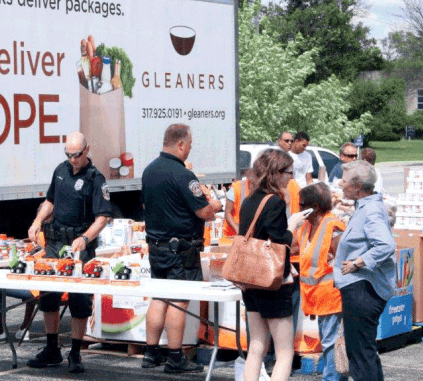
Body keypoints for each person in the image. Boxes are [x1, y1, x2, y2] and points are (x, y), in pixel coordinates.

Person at [26, 132, 112, 373]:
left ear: (87, 150)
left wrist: (85, 238)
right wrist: (37, 221)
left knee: (79, 298)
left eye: (76, 154)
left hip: (78, 245)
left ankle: (75, 352)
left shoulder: (96, 178)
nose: (72, 159)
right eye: (69, 154)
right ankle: (52, 348)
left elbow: (103, 217)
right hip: (55, 243)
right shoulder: (60, 170)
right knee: (48, 295)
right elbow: (50, 200)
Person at [141, 123, 222, 374]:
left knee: (158, 297)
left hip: (156, 246)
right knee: (178, 301)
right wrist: (216, 204)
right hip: (181, 250)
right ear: (180, 144)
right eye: (189, 145)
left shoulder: (149, 170)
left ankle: (151, 352)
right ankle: (175, 357)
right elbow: (203, 212)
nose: (190, 149)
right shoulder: (183, 175)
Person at [237, 149, 307, 381]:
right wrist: (292, 225)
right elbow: (280, 240)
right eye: (288, 172)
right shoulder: (274, 202)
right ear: (275, 173)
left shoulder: (249, 199)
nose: (291, 177)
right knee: (284, 351)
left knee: (256, 346)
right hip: (272, 281)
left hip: (250, 279)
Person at [335, 160, 396, 381]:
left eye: (345, 181)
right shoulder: (367, 206)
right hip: (361, 287)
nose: (341, 184)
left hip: (363, 288)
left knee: (361, 354)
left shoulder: (370, 210)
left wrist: (358, 262)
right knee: (363, 351)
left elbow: (386, 245)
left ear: (358, 186)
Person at [292, 183, 347, 381]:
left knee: (331, 340)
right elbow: (294, 249)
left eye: (301, 205)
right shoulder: (306, 226)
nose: (298, 208)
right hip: (316, 295)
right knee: (328, 339)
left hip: (331, 293)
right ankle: (333, 376)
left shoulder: (333, 226)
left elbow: (343, 258)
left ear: (313, 207)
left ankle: (331, 378)